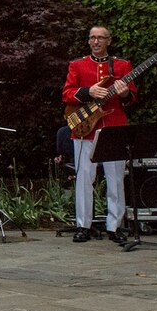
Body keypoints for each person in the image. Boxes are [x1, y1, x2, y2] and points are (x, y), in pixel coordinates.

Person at [62, 25, 135, 244]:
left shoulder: (123, 65)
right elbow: (67, 93)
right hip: (85, 126)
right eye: (92, 38)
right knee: (84, 178)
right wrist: (88, 91)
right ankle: (83, 225)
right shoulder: (77, 65)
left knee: (116, 179)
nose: (96, 42)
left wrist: (124, 94)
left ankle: (115, 226)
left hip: (114, 125)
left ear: (109, 41)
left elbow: (132, 99)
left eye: (100, 38)